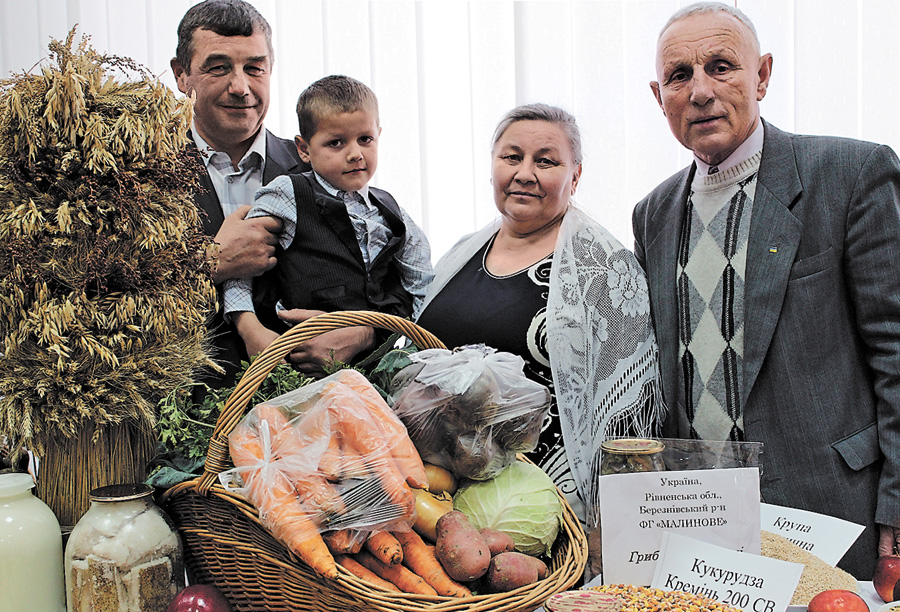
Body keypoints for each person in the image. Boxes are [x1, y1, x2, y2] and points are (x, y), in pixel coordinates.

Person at [634, 1, 900, 579]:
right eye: (680, 76)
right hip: (700, 529)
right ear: (660, 98)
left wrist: (898, 520)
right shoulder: (651, 214)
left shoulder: (851, 175)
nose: (700, 90)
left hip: (832, 516)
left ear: (763, 75)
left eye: (721, 66)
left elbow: (897, 355)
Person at [417, 104, 664, 560]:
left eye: (545, 161)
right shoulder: (461, 254)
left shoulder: (603, 269)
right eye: (511, 157)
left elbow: (626, 411)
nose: (524, 173)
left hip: (536, 509)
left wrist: (608, 529)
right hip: (436, 502)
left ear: (576, 175)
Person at [223, 75, 433, 376]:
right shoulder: (287, 193)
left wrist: (414, 351)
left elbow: (423, 287)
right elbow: (238, 263)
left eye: (366, 139)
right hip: (298, 374)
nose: (355, 153)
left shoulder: (392, 209)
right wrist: (250, 328)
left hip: (374, 373)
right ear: (304, 149)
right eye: (336, 143)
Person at [170, 0, 310, 388]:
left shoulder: (319, 170)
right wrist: (207, 263)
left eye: (255, 68)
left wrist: (361, 333)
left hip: (303, 413)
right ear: (182, 76)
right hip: (175, 421)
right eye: (218, 68)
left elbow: (378, 274)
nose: (241, 87)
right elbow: (95, 296)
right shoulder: (137, 177)